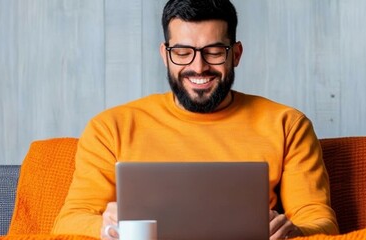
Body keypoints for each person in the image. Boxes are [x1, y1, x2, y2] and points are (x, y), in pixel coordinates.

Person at [51, 0, 339, 239]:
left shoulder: (287, 124)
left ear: (235, 54)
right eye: (182, 53)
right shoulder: (110, 128)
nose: (198, 67)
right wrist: (105, 227)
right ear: (165, 55)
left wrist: (295, 232)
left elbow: (319, 220)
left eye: (214, 52)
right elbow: (69, 221)